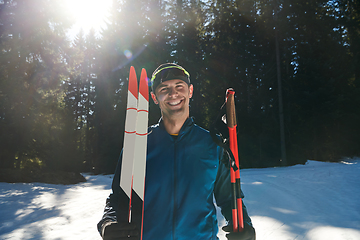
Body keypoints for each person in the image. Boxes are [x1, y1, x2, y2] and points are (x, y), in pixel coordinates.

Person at [97, 63, 256, 240]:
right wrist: (107, 223)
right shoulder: (137, 144)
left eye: (179, 86)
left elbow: (229, 198)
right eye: (164, 88)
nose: (173, 94)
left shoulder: (213, 144)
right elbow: (118, 198)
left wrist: (245, 227)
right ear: (154, 97)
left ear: (190, 91)